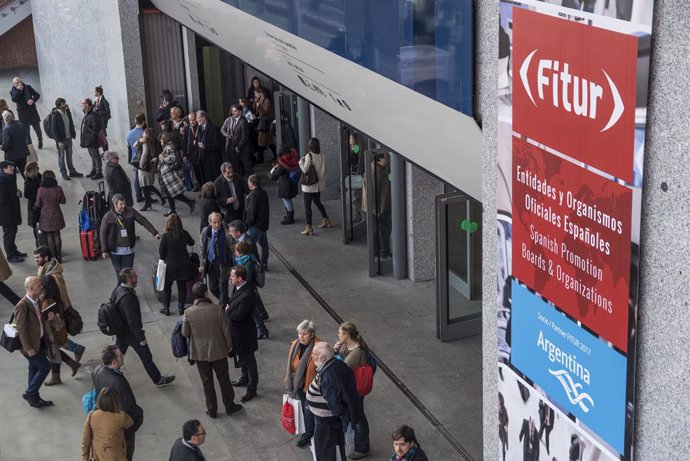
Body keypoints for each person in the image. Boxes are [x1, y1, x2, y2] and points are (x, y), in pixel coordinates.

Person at [182, 282, 243, 418]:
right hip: (218, 350)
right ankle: (229, 405)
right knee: (224, 379)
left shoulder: (188, 312)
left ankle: (212, 410)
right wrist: (229, 345)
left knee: (206, 382)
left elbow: (185, 333)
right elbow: (225, 329)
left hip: (199, 353)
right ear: (206, 293)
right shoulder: (217, 309)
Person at [111, 267, 176, 387]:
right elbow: (133, 321)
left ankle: (111, 377)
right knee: (146, 356)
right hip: (131, 334)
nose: (137, 278)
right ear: (129, 279)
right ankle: (158, 380)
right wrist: (141, 338)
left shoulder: (118, 289)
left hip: (121, 331)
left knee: (118, 355)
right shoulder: (128, 298)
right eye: (135, 276)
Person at [34, 245, 85, 384]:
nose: (36, 260)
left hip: (54, 316)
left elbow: (56, 297)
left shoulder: (52, 276)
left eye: (38, 257)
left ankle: (57, 374)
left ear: (46, 257)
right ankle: (71, 361)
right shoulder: (45, 270)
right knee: (53, 346)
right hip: (53, 315)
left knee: (53, 345)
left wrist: (42, 299)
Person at [307, 342, 361, 461]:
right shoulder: (338, 364)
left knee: (325, 450)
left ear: (323, 358)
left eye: (315, 354)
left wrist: (338, 414)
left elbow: (335, 405)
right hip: (332, 419)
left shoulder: (328, 376)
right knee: (336, 447)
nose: (312, 356)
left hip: (326, 421)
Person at [93, 345, 144, 461]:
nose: (122, 357)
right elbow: (129, 407)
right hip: (122, 428)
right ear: (115, 362)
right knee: (126, 454)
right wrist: (139, 415)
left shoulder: (97, 371)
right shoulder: (119, 383)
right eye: (120, 356)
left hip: (105, 423)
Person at [14, 276, 53, 408]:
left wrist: (46, 317)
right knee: (45, 367)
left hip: (39, 342)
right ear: (31, 289)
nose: (42, 287)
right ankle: (30, 393)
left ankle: (34, 397)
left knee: (34, 367)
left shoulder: (36, 301)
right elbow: (22, 329)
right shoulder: (22, 306)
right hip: (30, 346)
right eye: (39, 286)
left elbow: (36, 321)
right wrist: (28, 348)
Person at [100, 194, 161, 277]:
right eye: (121, 204)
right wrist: (104, 250)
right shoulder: (108, 216)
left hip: (128, 250)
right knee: (120, 274)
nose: (124, 206)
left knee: (127, 274)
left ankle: (123, 289)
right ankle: (123, 289)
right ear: (115, 205)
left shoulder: (131, 211)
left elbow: (142, 220)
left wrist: (154, 232)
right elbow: (102, 233)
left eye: (124, 203)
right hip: (114, 251)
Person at [333, 322, 370, 459]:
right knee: (354, 415)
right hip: (349, 387)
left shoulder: (357, 352)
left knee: (359, 417)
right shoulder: (345, 345)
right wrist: (335, 350)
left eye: (340, 333)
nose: (338, 335)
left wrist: (334, 355)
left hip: (356, 390)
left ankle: (363, 448)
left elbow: (341, 369)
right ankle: (354, 441)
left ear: (347, 335)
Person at [226, 265, 259, 402]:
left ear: (240, 278)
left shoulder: (248, 294)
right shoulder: (237, 287)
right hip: (236, 332)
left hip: (244, 334)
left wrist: (228, 310)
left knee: (249, 361)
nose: (230, 278)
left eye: (232, 276)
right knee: (242, 358)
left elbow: (239, 316)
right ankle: (244, 378)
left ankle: (252, 388)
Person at [285, 320, 319, 448]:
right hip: (298, 384)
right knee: (306, 411)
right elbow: (290, 364)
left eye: (304, 334)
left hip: (312, 386)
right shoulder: (295, 344)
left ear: (312, 334)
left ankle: (310, 434)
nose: (301, 337)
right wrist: (288, 378)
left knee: (310, 411)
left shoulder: (318, 347)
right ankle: (308, 433)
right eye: (299, 333)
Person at [81, 387, 133, 461]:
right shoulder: (121, 416)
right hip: (115, 455)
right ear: (116, 401)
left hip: (98, 454)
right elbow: (130, 423)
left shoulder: (92, 415)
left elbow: (85, 438)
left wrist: (85, 455)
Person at [158, 213, 194, 315]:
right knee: (182, 288)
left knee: (167, 288)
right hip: (183, 264)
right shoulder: (185, 234)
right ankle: (181, 308)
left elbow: (161, 252)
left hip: (169, 266)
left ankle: (166, 308)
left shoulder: (166, 236)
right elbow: (192, 242)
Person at [233, 241, 268, 339]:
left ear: (241, 252)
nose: (235, 252)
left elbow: (247, 279)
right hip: (244, 289)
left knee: (252, 311)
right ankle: (263, 330)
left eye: (236, 250)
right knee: (253, 311)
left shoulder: (248, 263)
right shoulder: (240, 260)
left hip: (248, 290)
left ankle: (262, 329)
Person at [298, 137, 330, 235]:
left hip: (310, 186)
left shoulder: (309, 156)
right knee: (317, 201)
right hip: (319, 184)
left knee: (307, 207)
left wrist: (300, 162)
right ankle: (326, 219)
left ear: (310, 146)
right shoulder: (322, 155)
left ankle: (309, 227)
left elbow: (304, 170)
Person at [159, 132, 196, 217]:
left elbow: (173, 158)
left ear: (165, 140)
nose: (160, 140)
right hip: (167, 173)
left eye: (161, 139)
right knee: (171, 193)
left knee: (173, 193)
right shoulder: (167, 147)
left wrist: (163, 158)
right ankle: (173, 209)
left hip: (169, 173)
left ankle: (188, 202)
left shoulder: (169, 147)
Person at [363, 152, 392, 258]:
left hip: (374, 207)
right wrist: (381, 210)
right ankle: (384, 251)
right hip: (379, 208)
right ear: (379, 159)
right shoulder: (379, 172)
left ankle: (376, 250)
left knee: (377, 229)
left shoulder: (372, 168)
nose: (387, 159)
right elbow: (382, 193)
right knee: (384, 230)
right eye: (385, 157)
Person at [199, 212, 232, 303]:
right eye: (214, 222)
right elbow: (203, 249)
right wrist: (202, 263)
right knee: (212, 288)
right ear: (210, 222)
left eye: (219, 222)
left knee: (223, 290)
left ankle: (223, 308)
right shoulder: (205, 231)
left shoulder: (226, 234)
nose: (217, 225)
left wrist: (231, 268)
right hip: (211, 264)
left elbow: (232, 251)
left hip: (223, 265)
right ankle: (228, 302)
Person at [34, 170, 67, 262]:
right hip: (56, 213)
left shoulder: (41, 190)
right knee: (57, 234)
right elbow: (63, 201)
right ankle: (59, 255)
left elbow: (38, 204)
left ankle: (54, 256)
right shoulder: (58, 189)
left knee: (49, 235)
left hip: (45, 215)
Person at [49, 98, 82, 180]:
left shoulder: (67, 111)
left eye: (65, 103)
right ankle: (64, 173)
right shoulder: (55, 115)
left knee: (69, 156)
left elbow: (71, 122)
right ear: (59, 106)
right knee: (61, 157)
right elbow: (53, 130)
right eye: (63, 104)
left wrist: (72, 133)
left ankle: (72, 172)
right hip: (61, 140)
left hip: (69, 138)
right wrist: (58, 141)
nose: (65, 105)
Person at [0, 160, 25, 262]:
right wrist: (9, 209)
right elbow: (2, 198)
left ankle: (14, 251)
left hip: (12, 210)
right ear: (4, 169)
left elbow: (12, 190)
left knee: (13, 231)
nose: (13, 168)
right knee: (9, 233)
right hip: (6, 212)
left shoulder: (9, 176)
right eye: (10, 167)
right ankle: (11, 255)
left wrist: (17, 192)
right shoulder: (1, 180)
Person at [268, 144, 299, 225]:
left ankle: (290, 218)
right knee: (287, 199)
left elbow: (276, 173)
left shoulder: (283, 162)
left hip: (285, 184)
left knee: (286, 199)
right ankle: (289, 216)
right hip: (291, 182)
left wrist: (272, 172)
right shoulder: (292, 156)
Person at [136, 127, 166, 211]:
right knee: (147, 185)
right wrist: (139, 141)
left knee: (145, 186)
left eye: (144, 133)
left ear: (147, 134)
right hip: (150, 166)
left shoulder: (146, 143)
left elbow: (144, 153)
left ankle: (148, 204)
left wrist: (141, 164)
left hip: (145, 167)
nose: (143, 134)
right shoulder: (153, 142)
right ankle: (156, 199)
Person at [244, 174, 269, 271]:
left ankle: (255, 264)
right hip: (263, 224)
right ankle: (264, 263)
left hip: (255, 226)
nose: (247, 183)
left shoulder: (253, 195)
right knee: (264, 244)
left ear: (252, 184)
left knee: (250, 246)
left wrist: (247, 223)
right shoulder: (263, 193)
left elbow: (251, 212)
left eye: (249, 181)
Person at [10, 77, 42, 148]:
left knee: (37, 129)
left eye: (18, 82)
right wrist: (19, 90)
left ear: (21, 81)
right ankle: (30, 146)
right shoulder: (13, 91)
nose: (16, 84)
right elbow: (14, 99)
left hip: (32, 111)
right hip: (22, 113)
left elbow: (37, 95)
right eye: (15, 83)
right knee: (26, 132)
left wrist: (33, 100)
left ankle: (40, 141)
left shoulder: (28, 87)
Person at [214, 162, 247, 226]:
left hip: (240, 209)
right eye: (228, 173)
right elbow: (216, 199)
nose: (231, 174)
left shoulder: (238, 177)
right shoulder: (217, 183)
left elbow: (246, 190)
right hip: (229, 213)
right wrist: (226, 200)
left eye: (232, 171)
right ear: (223, 173)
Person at [195, 110, 221, 184]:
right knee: (205, 177)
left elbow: (218, 144)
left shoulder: (213, 128)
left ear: (204, 118)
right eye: (197, 118)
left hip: (212, 158)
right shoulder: (199, 128)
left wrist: (205, 146)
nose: (197, 120)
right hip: (202, 158)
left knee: (213, 178)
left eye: (198, 118)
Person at [126, 113, 147, 203]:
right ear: (143, 122)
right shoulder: (143, 133)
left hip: (134, 158)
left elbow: (128, 146)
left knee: (136, 177)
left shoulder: (129, 133)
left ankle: (138, 195)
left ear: (135, 121)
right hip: (142, 158)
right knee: (144, 178)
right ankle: (146, 195)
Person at [80, 98, 103, 179]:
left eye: (83, 103)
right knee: (92, 156)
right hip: (88, 140)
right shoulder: (88, 113)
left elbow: (95, 128)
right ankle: (94, 170)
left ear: (87, 104)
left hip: (91, 140)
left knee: (96, 157)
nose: (81, 105)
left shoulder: (93, 115)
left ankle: (98, 172)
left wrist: (91, 138)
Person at [1, 110, 30, 174]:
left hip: (12, 156)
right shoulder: (20, 124)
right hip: (23, 153)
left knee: (11, 174)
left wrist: (2, 147)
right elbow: (26, 134)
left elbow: (7, 144)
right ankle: (28, 183)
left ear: (5, 119)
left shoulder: (6, 129)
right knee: (24, 171)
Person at [228, 104, 253, 176]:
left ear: (240, 112)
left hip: (243, 149)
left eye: (235, 111)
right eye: (232, 111)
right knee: (238, 167)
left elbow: (245, 137)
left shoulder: (243, 121)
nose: (233, 112)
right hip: (235, 148)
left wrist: (239, 147)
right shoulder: (233, 120)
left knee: (247, 168)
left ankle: (252, 182)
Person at [253, 87, 274, 163]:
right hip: (262, 123)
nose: (255, 95)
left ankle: (260, 158)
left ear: (260, 93)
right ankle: (275, 154)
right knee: (269, 141)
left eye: (256, 93)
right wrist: (256, 102)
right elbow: (254, 109)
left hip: (265, 123)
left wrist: (258, 105)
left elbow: (264, 113)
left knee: (261, 141)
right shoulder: (259, 101)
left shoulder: (267, 101)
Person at [183, 111, 202, 191]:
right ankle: (196, 185)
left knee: (201, 170)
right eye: (190, 120)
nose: (192, 122)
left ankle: (203, 185)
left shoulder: (200, 127)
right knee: (193, 171)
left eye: (193, 120)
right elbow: (184, 142)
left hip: (199, 152)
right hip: (190, 153)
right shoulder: (187, 128)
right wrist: (184, 154)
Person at [23, 161, 41, 246]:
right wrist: (38, 197)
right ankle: (38, 243)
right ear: (33, 170)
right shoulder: (28, 181)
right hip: (34, 206)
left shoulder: (39, 176)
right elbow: (26, 194)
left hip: (40, 204)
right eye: (37, 167)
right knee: (36, 226)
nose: (38, 169)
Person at [93, 86, 111, 152]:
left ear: (98, 92)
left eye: (95, 91)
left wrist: (98, 112)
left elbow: (108, 111)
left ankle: (106, 152)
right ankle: (105, 152)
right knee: (100, 137)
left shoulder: (104, 101)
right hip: (98, 122)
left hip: (102, 122)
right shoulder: (97, 99)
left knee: (103, 137)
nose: (94, 93)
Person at [499, 392, 509, 461]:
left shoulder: (504, 409)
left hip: (503, 431)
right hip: (497, 430)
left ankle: (504, 458)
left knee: (503, 447)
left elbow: (508, 419)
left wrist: (506, 425)